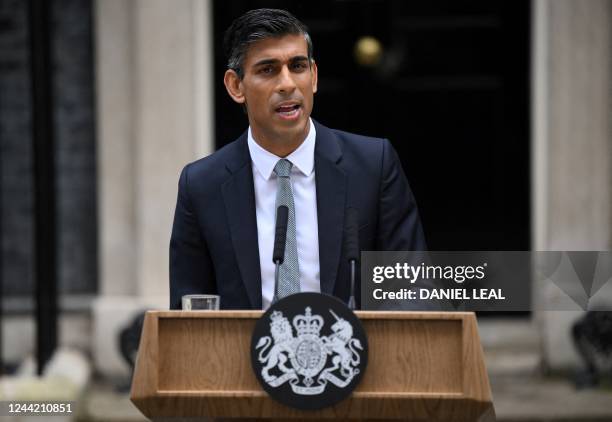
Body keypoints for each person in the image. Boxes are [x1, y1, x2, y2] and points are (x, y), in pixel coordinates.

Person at [169, 8, 425, 310]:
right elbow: (188, 313)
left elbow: (412, 289)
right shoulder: (201, 185)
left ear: (313, 76)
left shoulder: (373, 165)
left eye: (298, 66)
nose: (287, 84)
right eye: (268, 69)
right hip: (242, 356)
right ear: (235, 86)